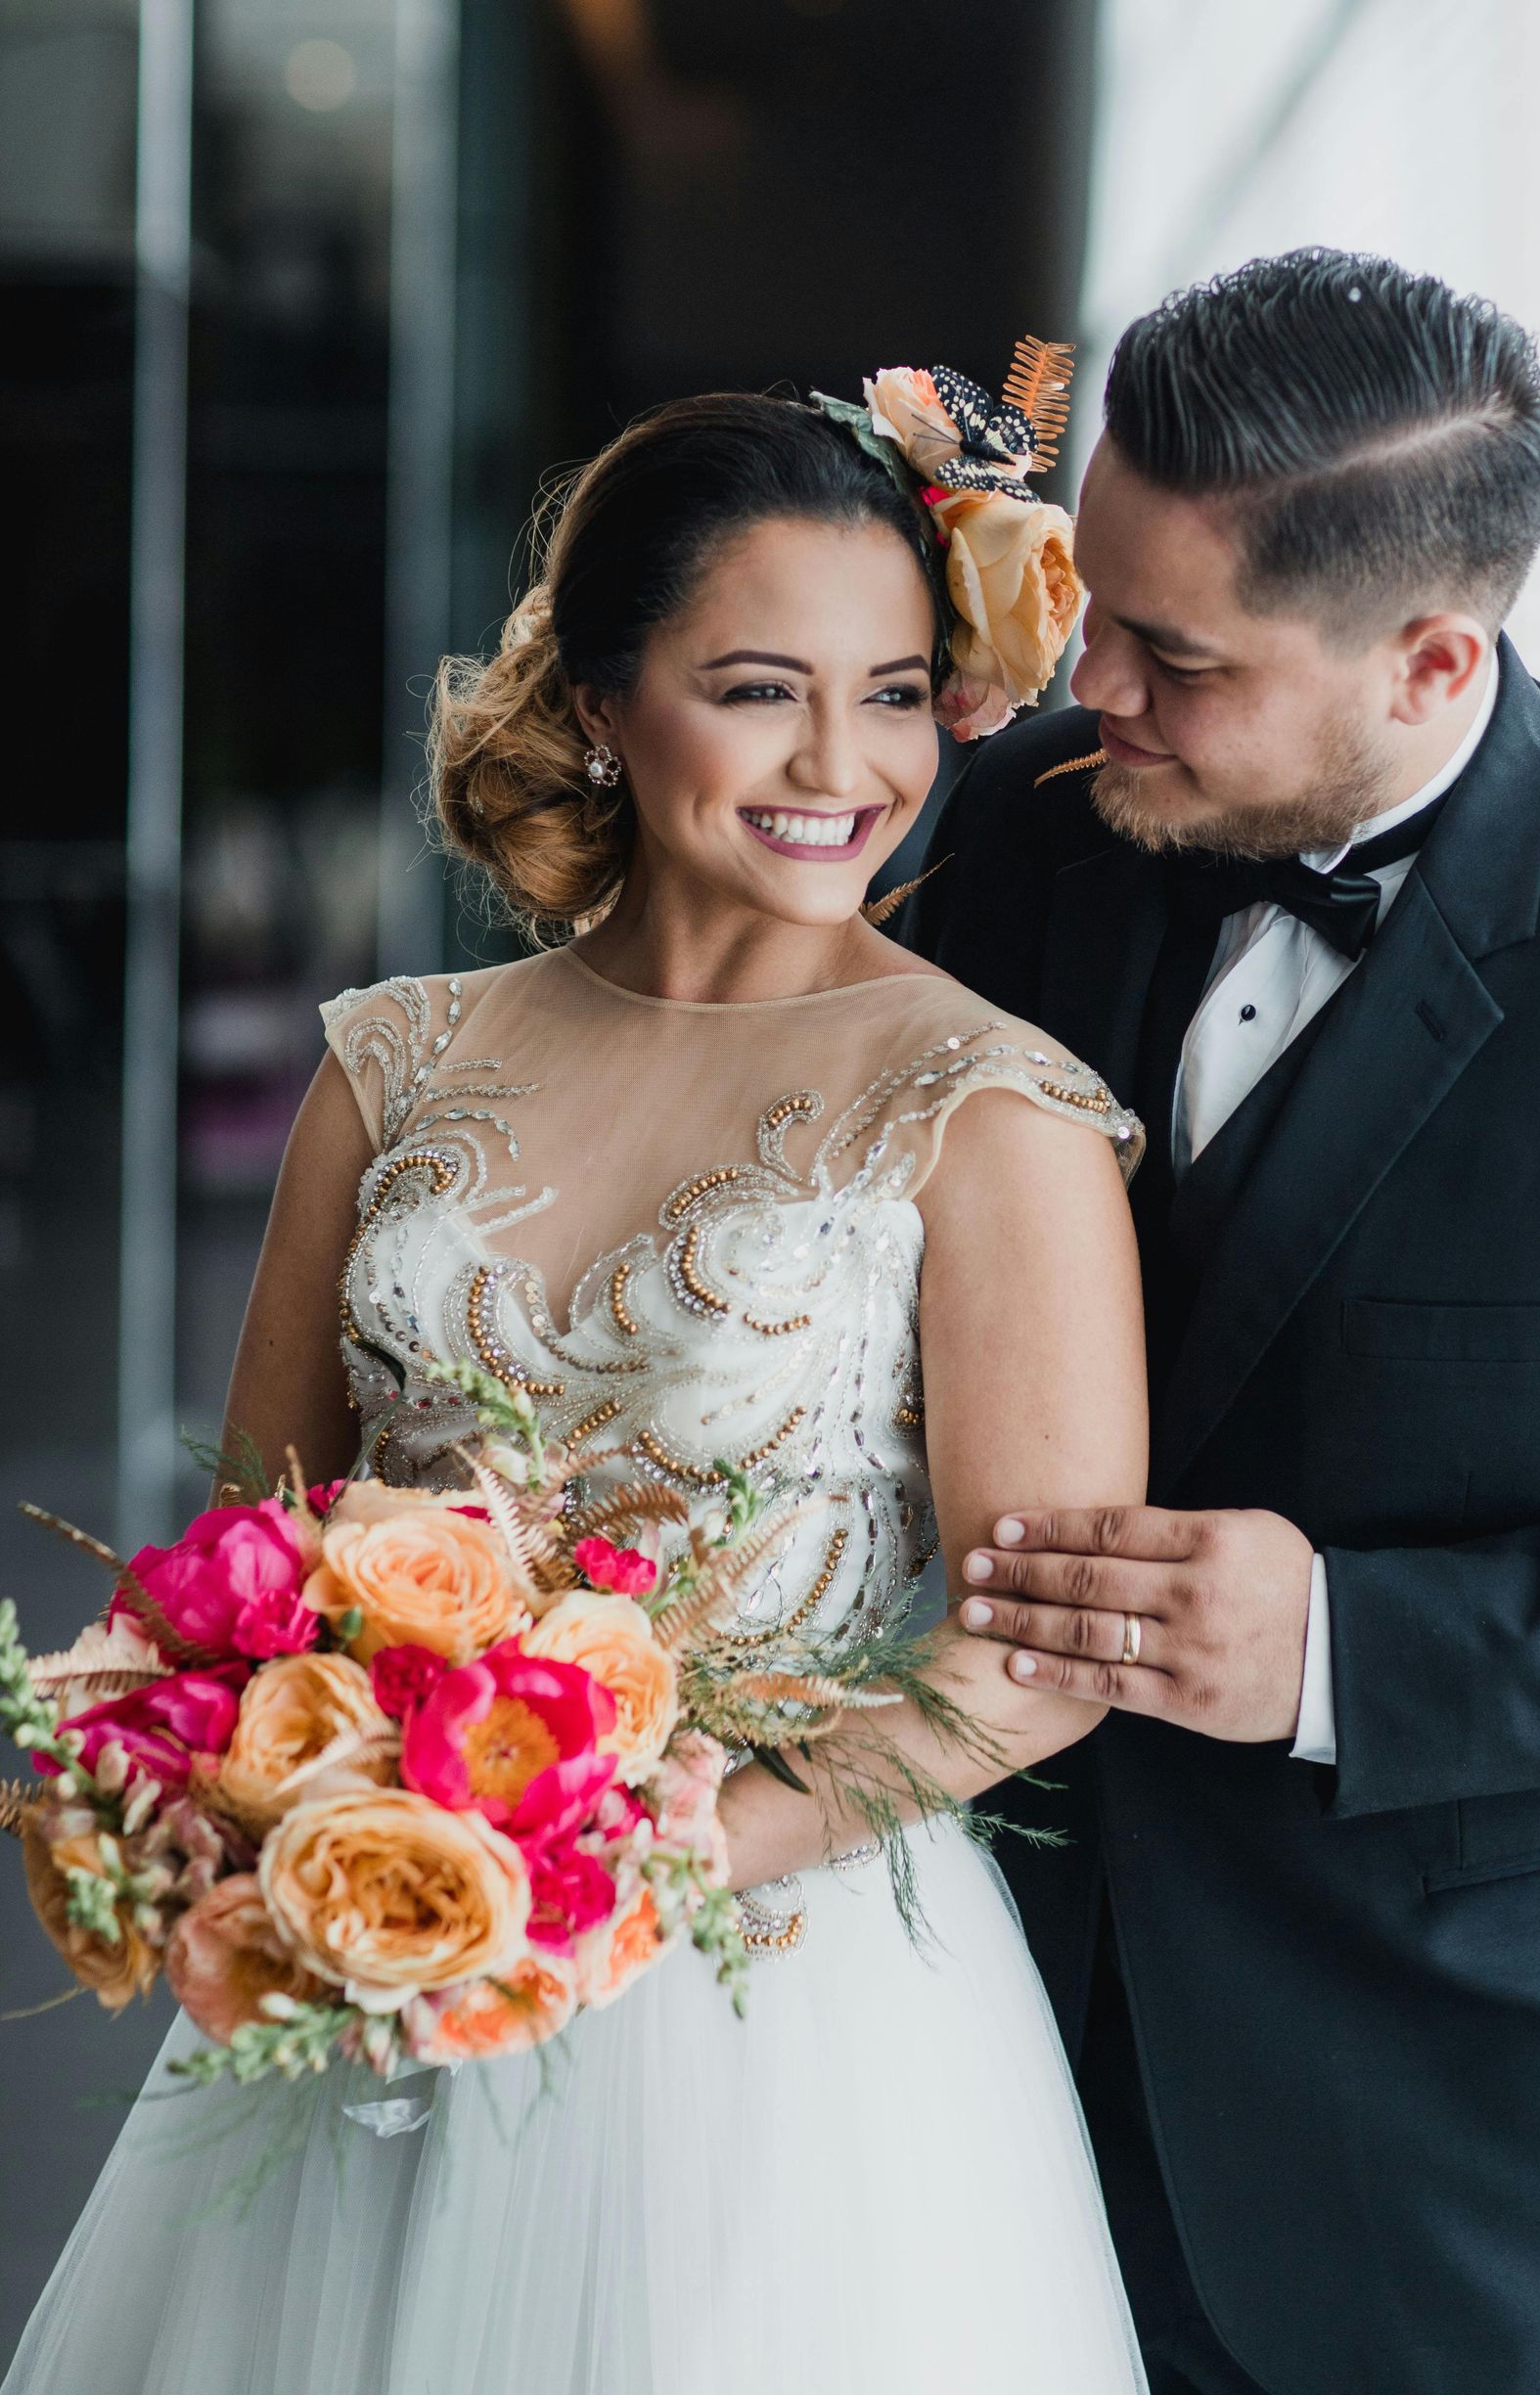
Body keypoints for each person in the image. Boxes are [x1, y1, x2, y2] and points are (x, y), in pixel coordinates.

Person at [5, 387, 1151, 2395]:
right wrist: (185, 1769)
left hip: (773, 2020)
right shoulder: (397, 1061)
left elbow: (1041, 1651)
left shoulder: (990, 1109)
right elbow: (254, 1548)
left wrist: (714, 1845)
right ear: (608, 700)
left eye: (895, 695)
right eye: (758, 688)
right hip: (365, 1940)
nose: (841, 765)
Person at [906, 249, 1540, 2395]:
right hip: (990, 2042)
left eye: (1174, 655)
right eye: (1087, 602)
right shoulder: (1019, 842)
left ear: (1435, 657)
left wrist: (1349, 1647)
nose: (1097, 691)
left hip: (1463, 2126)